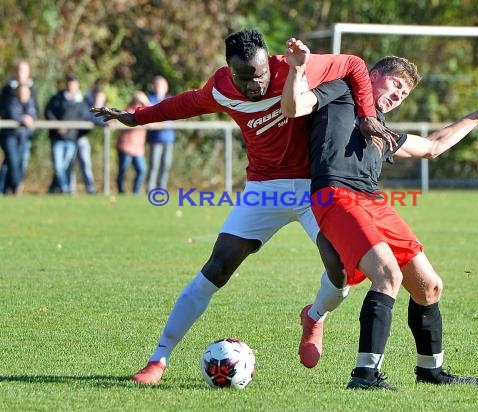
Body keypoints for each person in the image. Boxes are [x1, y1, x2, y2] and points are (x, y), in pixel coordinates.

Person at [91, 29, 394, 385]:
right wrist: (137, 117)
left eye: (259, 75)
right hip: (264, 188)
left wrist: (367, 113)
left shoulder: (298, 67)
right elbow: (186, 103)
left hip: (314, 186)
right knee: (217, 267)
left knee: (341, 270)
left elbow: (354, 64)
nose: (253, 86)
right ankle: (157, 360)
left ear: (270, 61)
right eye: (243, 78)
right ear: (229, 70)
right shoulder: (222, 87)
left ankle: (314, 317)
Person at [281, 48, 478, 389]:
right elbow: (294, 107)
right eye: (395, 85)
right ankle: (364, 375)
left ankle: (430, 371)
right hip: (334, 196)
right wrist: (296, 71)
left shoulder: (382, 130)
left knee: (429, 286)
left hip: (373, 202)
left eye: (404, 94)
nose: (398, 96)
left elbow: (433, 146)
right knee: (387, 274)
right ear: (372, 77)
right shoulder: (342, 91)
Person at [45, 74, 92, 194]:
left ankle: (55, 189)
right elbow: (48, 112)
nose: (71, 86)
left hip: (71, 139)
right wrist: (57, 125)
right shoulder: (57, 98)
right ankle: (64, 189)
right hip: (57, 138)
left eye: (73, 83)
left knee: (65, 167)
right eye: (69, 83)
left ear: (77, 85)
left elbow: (87, 117)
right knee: (58, 167)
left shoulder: (82, 102)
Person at [0, 60, 40, 193]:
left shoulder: (32, 88)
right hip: (9, 134)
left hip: (24, 135)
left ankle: (8, 189)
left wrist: (30, 117)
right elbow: (8, 109)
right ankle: (15, 187)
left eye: (23, 70)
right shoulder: (8, 89)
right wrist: (22, 118)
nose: (20, 73)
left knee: (15, 163)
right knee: (13, 161)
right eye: (19, 70)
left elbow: (35, 109)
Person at [71, 81, 107, 194]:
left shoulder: (99, 106)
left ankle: (90, 188)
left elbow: (104, 117)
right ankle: (70, 189)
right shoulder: (85, 103)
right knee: (70, 165)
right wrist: (103, 122)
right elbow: (89, 117)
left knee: (86, 164)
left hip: (81, 137)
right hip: (72, 137)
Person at [116, 91, 150, 194]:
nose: (138, 103)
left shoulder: (145, 112)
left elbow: (153, 110)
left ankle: (136, 191)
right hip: (126, 146)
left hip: (138, 148)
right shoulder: (128, 111)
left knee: (142, 170)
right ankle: (121, 190)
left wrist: (145, 100)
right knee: (123, 170)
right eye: (136, 101)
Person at [146, 75, 175, 191]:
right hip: (155, 139)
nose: (160, 88)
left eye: (162, 85)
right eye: (158, 85)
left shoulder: (171, 99)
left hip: (168, 138)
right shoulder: (150, 99)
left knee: (166, 165)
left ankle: (161, 188)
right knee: (154, 164)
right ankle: (150, 188)